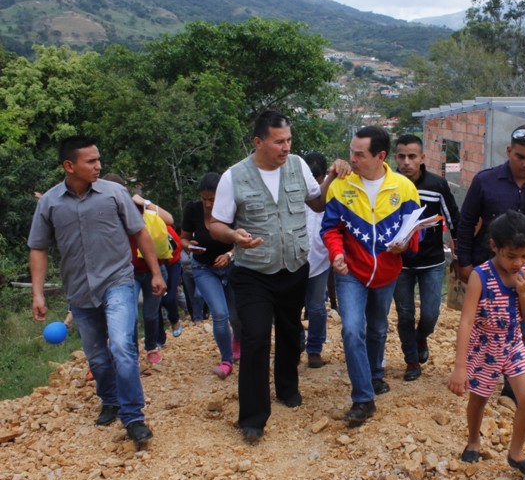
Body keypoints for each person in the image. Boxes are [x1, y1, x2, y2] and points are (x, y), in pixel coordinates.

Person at [209, 110, 345, 443]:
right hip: (253, 271)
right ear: (258, 142)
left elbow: (316, 203)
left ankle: (286, 387)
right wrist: (234, 237)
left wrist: (332, 176)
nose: (285, 148)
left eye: (289, 140)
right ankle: (253, 417)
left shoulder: (297, 165)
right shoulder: (234, 177)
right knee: (255, 337)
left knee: (290, 331)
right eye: (278, 142)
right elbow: (216, 225)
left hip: (295, 266)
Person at [28, 135, 166, 444]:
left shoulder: (115, 193)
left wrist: (156, 273)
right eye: (90, 161)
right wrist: (37, 293)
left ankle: (133, 417)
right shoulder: (50, 203)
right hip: (78, 291)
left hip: (118, 282)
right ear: (69, 166)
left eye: (98, 159)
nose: (98, 165)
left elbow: (140, 232)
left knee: (121, 346)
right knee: (98, 358)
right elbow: (38, 248)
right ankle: (110, 399)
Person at [321, 125, 421, 426]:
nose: (352, 158)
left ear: (380, 156)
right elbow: (330, 228)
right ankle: (363, 398)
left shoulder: (403, 188)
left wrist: (406, 244)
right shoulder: (341, 185)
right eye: (351, 151)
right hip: (350, 271)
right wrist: (336, 253)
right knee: (352, 329)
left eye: (359, 154)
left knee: (377, 329)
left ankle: (375, 375)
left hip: (387, 273)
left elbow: (416, 234)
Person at [456, 125, 525, 397]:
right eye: (520, 156)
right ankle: (479, 377)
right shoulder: (485, 181)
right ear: (508, 152)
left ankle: (512, 389)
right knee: (483, 326)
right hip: (487, 270)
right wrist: (463, 261)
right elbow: (466, 222)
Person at [447, 210, 525, 477]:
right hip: (484, 346)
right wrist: (460, 367)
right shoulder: (481, 275)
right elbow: (466, 321)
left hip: (512, 343)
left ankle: (516, 453)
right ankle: (474, 440)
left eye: (524, 255)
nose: (518, 262)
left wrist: (523, 293)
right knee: (479, 399)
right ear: (494, 247)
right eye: (511, 256)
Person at [392, 134, 460, 381]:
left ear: (422, 158)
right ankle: (411, 360)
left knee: (430, 314)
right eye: (401, 156)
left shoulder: (436, 185)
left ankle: (421, 337)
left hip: (431, 261)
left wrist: (458, 251)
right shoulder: (389, 184)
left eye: (412, 156)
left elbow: (453, 217)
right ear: (395, 158)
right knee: (405, 313)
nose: (407, 162)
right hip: (399, 263)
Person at [103, 174, 174, 365]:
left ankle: (151, 347)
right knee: (130, 315)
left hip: (154, 270)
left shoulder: (137, 207)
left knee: (151, 314)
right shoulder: (106, 214)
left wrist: (146, 202)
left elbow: (169, 219)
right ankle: (131, 351)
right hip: (128, 273)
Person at [181, 172, 242, 379]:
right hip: (204, 268)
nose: (208, 204)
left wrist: (230, 254)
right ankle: (226, 360)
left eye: (212, 200)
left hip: (232, 267)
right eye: (204, 199)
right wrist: (189, 246)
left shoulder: (233, 210)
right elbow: (183, 239)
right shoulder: (193, 210)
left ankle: (237, 340)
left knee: (236, 315)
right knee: (219, 314)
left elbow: (242, 240)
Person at [302, 152, 332, 369]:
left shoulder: (331, 194)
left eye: (318, 180)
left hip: (320, 259)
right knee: (290, 306)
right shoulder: (295, 191)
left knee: (317, 307)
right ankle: (295, 344)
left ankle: (314, 349)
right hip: (295, 259)